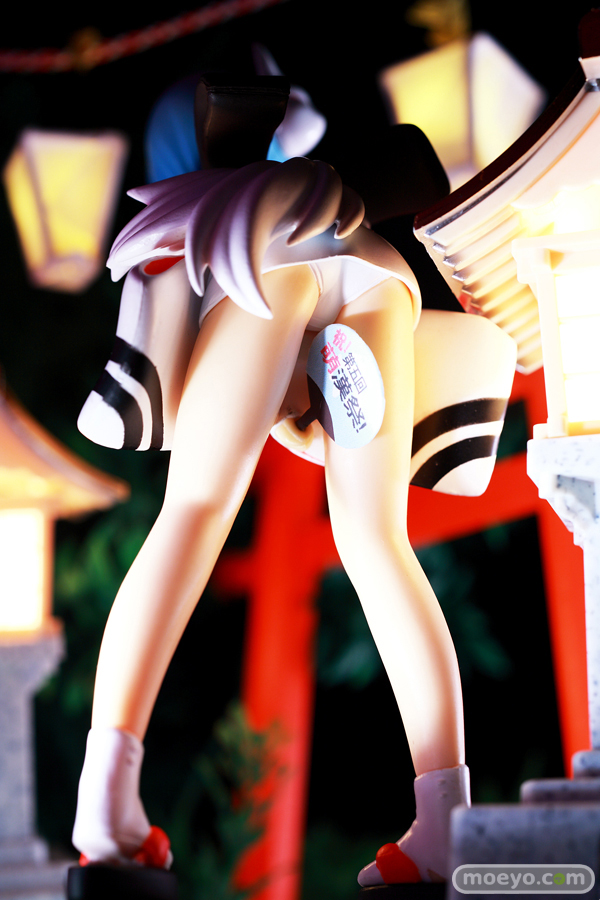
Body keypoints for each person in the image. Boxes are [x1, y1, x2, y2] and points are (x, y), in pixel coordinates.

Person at [72, 72, 470, 885]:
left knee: (194, 508)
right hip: (373, 267)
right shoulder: (295, 188)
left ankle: (106, 794)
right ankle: (445, 818)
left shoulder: (205, 219)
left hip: (268, 260)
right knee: (377, 540)